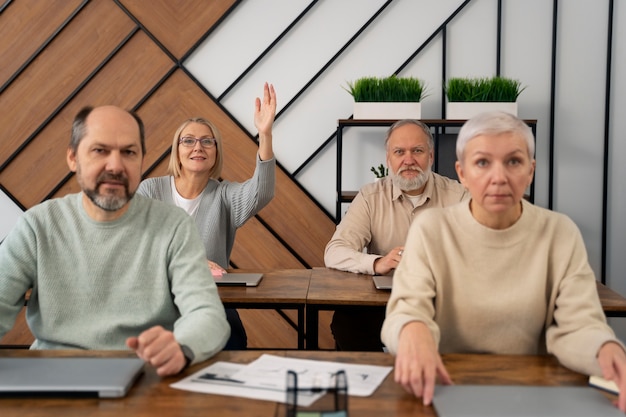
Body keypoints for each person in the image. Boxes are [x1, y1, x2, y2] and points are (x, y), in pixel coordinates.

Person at [381, 111, 626, 411]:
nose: (499, 177)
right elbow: (404, 311)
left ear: (530, 171)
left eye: (513, 161)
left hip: (530, 392)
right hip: (444, 387)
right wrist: (412, 329)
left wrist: (606, 347)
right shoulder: (431, 229)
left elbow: (579, 325)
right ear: (462, 173)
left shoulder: (559, 232)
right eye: (482, 162)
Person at [0, 105, 230, 377]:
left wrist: (182, 347)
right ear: (73, 158)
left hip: (145, 379)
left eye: (129, 152)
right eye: (100, 151)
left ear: (141, 161)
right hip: (51, 377)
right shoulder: (38, 225)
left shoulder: (174, 227)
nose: (116, 166)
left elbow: (208, 315)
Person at [137, 82, 277, 350]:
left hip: (212, 303)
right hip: (159, 304)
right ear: (177, 151)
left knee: (231, 340)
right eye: (188, 140)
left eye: (207, 141)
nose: (197, 147)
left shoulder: (224, 196)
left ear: (216, 152)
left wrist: (265, 134)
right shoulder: (150, 191)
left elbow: (262, 191)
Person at [324, 119, 468, 351]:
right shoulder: (370, 197)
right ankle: (372, 383)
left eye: (417, 151)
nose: (408, 160)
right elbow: (334, 252)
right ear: (388, 159)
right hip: (384, 302)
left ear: (430, 157)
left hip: (440, 302)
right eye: (399, 152)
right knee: (346, 321)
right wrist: (377, 262)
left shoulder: (459, 196)